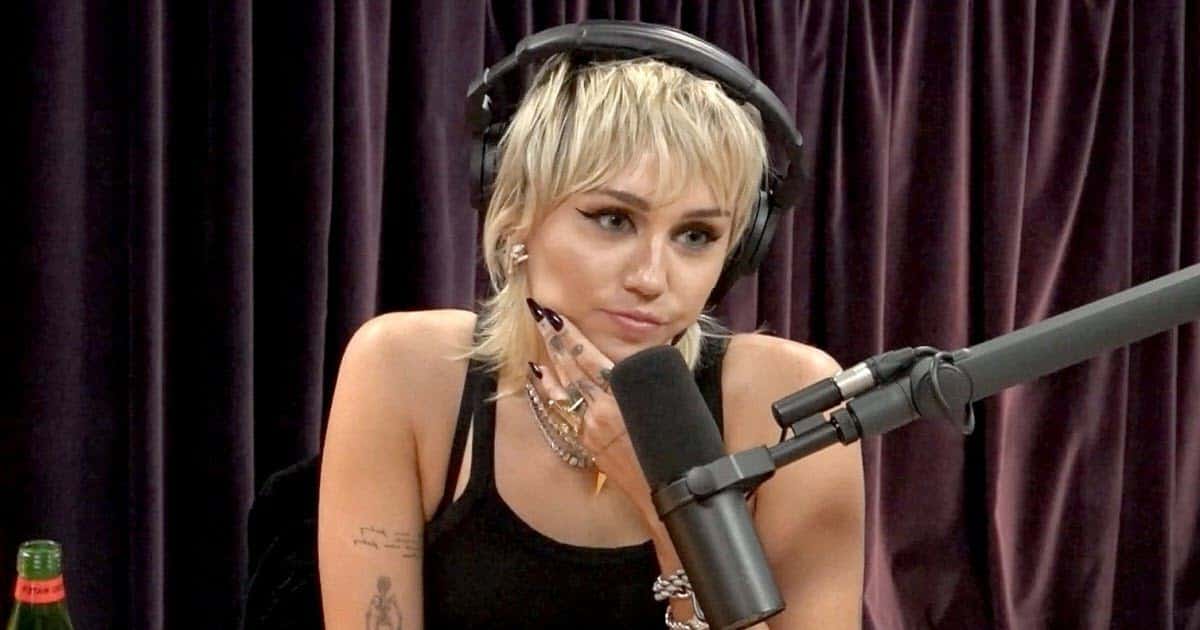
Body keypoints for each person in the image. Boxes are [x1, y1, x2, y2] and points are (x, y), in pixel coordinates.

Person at [317, 25, 864, 629]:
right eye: (613, 219)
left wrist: (671, 506)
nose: (651, 277)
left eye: (695, 235)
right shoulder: (404, 371)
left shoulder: (792, 406)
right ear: (517, 212)